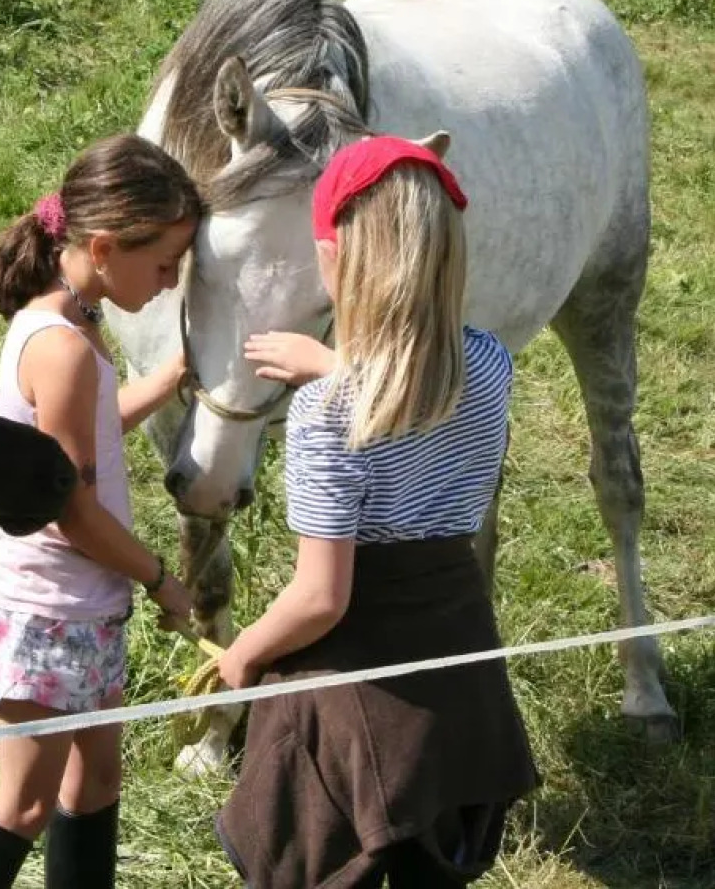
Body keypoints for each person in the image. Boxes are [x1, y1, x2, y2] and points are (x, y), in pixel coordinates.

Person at [215, 135, 540, 887]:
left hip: (357, 692)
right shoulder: (490, 364)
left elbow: (321, 598)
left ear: (334, 258)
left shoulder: (324, 414)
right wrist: (335, 367)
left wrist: (243, 653)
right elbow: (411, 393)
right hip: (457, 661)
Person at [0, 133, 204, 889]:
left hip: (85, 606)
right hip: (46, 611)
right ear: (104, 245)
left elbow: (83, 435)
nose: (168, 280)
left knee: (95, 784)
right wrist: (159, 579)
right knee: (22, 803)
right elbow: (65, 506)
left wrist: (175, 374)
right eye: (162, 264)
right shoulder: (60, 345)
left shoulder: (77, 318)